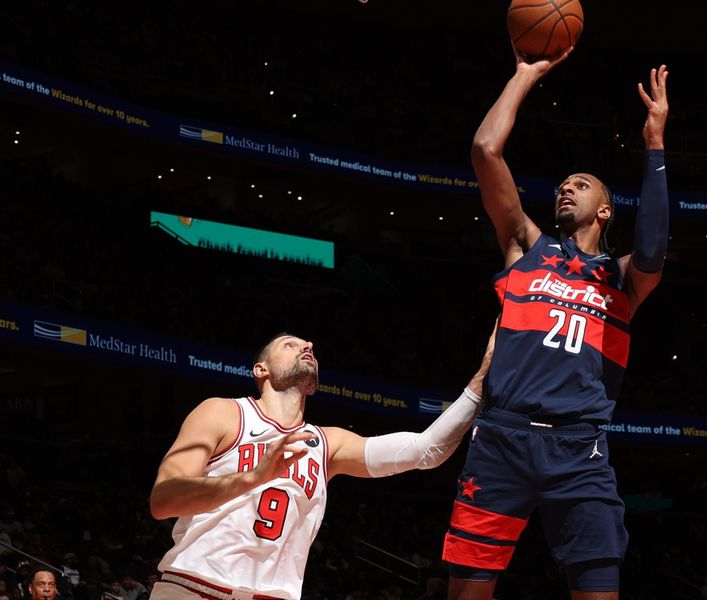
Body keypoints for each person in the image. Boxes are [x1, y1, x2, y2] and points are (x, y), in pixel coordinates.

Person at [441, 48, 670, 600]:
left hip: (579, 450)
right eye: (563, 183)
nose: (566, 188)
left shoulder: (620, 280)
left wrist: (655, 145)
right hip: (502, 438)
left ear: (607, 210)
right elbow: (484, 150)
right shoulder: (526, 247)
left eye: (582, 183)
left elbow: (655, 249)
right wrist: (523, 76)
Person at [149, 326, 496, 600]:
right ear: (261, 369)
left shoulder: (328, 443)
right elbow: (164, 499)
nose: (307, 346)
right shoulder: (223, 412)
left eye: (309, 346)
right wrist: (254, 477)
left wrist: (481, 380)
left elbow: (426, 450)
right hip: (192, 586)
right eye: (290, 344)